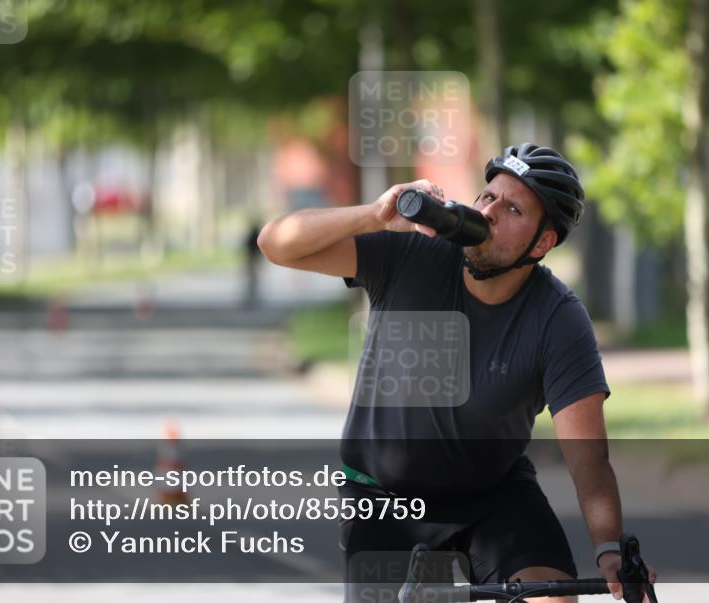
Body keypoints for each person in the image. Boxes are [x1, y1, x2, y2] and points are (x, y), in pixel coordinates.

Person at [257, 144, 656, 602]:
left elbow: (588, 456)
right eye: (488, 197)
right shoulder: (413, 252)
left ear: (543, 243)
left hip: (493, 498)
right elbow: (276, 242)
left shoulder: (558, 319)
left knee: (554, 597)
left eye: (512, 209)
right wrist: (374, 214)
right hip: (384, 500)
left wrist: (609, 549)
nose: (489, 213)